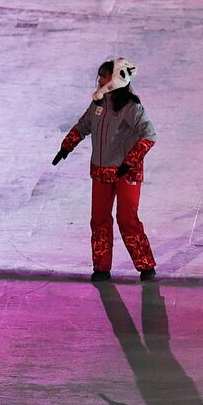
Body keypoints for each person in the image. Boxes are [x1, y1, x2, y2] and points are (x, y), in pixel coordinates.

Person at [52, 57, 158, 282]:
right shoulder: (98, 105)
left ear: (116, 78)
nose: (99, 79)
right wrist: (66, 146)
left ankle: (146, 266)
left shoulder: (131, 108)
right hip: (101, 172)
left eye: (103, 75)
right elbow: (83, 126)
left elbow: (149, 135)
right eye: (99, 75)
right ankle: (101, 267)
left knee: (126, 219)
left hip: (126, 173)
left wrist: (130, 162)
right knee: (99, 219)